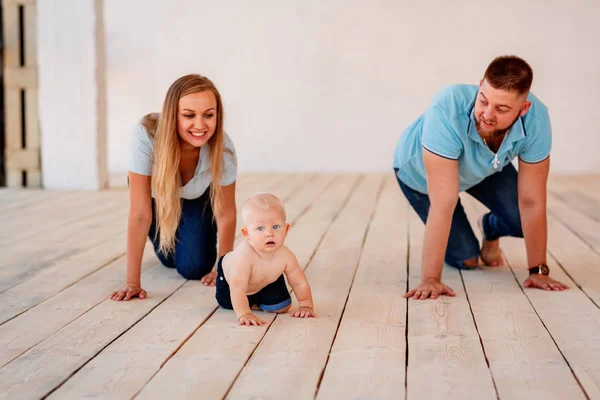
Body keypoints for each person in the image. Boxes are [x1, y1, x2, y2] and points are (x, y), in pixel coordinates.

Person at [393, 55, 569, 300]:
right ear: (479, 86)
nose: (487, 114)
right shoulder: (447, 109)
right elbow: (444, 202)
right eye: (483, 101)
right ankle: (465, 251)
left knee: (521, 222)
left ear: (523, 108)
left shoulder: (536, 120)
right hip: (418, 176)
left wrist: (538, 271)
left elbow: (532, 202)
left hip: (486, 167)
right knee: (467, 259)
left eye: (501, 109)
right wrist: (431, 279)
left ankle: (489, 227)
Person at [111, 74, 237, 301]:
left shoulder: (223, 148)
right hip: (157, 195)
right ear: (172, 115)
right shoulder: (146, 136)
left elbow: (226, 212)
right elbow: (140, 215)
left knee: (193, 268)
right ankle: (170, 238)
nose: (200, 125)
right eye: (189, 115)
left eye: (208, 115)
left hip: (197, 199)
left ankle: (185, 236)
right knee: (169, 260)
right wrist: (132, 282)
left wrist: (223, 267)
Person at [216, 193, 317, 326]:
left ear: (286, 229)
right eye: (260, 228)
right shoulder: (243, 257)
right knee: (228, 304)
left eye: (275, 227)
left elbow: (299, 282)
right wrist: (244, 314)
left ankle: (257, 301)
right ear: (247, 234)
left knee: (282, 307)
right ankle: (251, 304)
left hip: (263, 280)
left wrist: (306, 305)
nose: (269, 233)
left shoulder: (285, 255)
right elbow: (237, 289)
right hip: (230, 284)